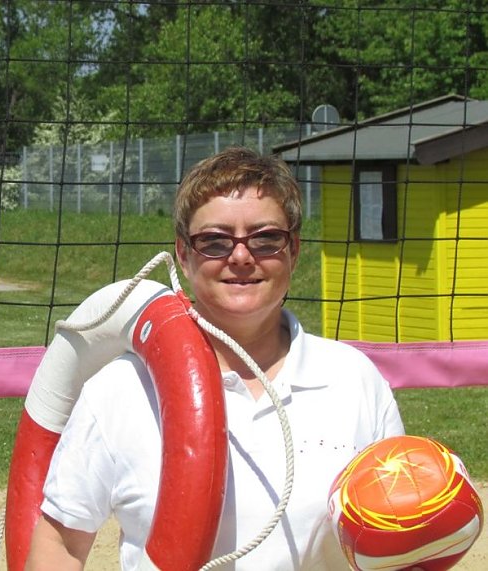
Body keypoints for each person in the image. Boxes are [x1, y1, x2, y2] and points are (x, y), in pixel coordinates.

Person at [24, 146, 405, 570]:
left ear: (293, 250)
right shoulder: (117, 392)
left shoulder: (353, 381)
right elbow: (60, 543)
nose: (241, 257)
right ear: (183, 255)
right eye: (214, 242)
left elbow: (393, 534)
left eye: (265, 238)